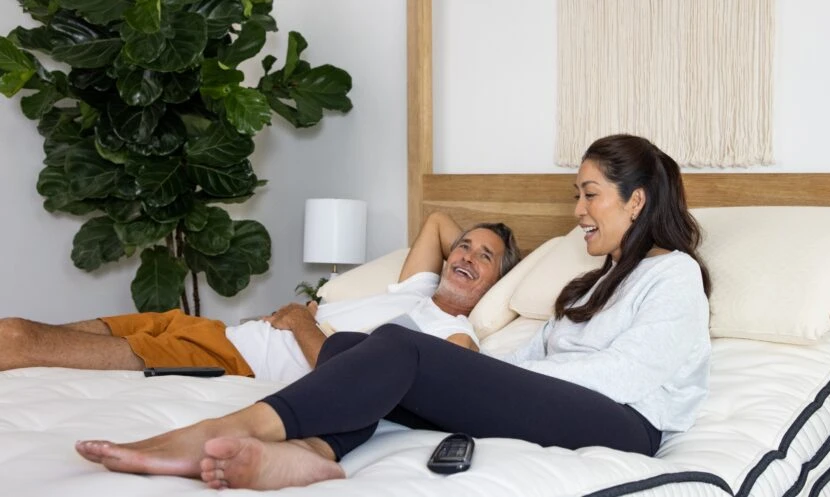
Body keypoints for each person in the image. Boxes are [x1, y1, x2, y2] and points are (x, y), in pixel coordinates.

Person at [75, 134, 713, 491]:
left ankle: (237, 428)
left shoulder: (674, 275)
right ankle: (316, 452)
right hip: (569, 401)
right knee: (360, 348)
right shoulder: (590, 284)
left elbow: (624, 380)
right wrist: (476, 371)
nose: (578, 210)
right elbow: (530, 356)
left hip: (625, 423)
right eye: (577, 195)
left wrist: (483, 380)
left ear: (636, 202)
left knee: (404, 348)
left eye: (590, 194)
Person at [0, 212, 521, 383]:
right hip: (214, 331)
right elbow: (434, 223)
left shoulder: (450, 334)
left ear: (499, 282)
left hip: (230, 362)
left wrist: (302, 323)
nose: (466, 257)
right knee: (23, 338)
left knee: (17, 338)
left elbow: (439, 388)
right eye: (463, 249)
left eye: (485, 258)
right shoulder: (419, 290)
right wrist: (470, 255)